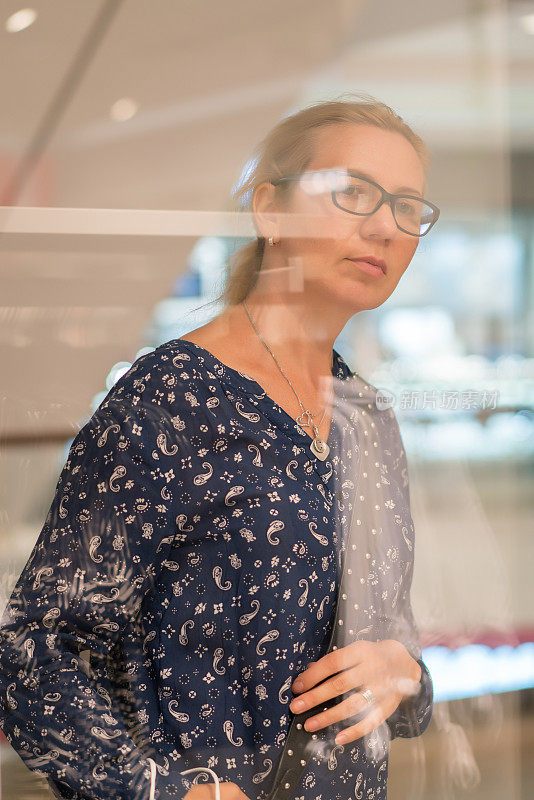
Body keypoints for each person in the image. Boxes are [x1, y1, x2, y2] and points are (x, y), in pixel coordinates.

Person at [0, 94, 438, 800]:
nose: (385, 226)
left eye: (409, 206)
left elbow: (390, 644)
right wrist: (161, 792)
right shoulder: (171, 402)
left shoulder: (366, 416)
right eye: (355, 192)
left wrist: (407, 674)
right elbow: (37, 654)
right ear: (271, 209)